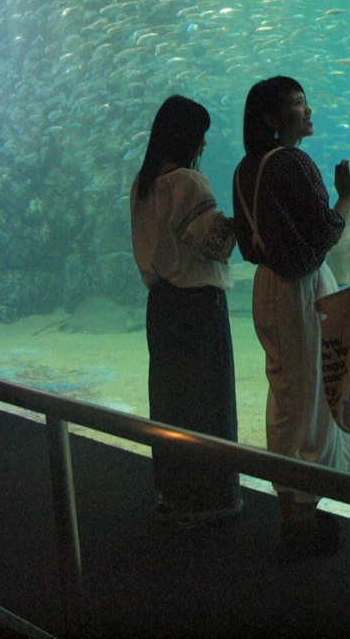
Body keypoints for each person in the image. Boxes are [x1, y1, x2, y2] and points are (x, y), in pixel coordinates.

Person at [232, 76, 350, 560]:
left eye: (306, 101)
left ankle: (293, 504)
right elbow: (325, 233)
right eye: (296, 104)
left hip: (267, 287)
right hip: (302, 293)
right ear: (272, 118)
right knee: (312, 398)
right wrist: (346, 194)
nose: (307, 112)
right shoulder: (293, 162)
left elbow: (248, 244)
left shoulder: (246, 168)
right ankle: (301, 517)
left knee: (287, 394)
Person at [129, 95, 242, 529]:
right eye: (202, 136)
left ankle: (172, 493)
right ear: (188, 138)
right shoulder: (187, 184)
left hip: (161, 306)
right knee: (206, 403)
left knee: (171, 401)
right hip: (197, 309)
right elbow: (215, 245)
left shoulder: (142, 183)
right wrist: (247, 220)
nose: (205, 144)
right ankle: (209, 501)